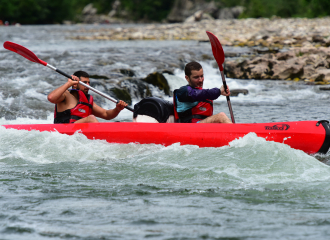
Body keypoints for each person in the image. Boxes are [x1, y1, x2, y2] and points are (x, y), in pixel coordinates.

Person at [47, 70, 128, 124]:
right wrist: (69, 84)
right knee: (91, 118)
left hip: (79, 134)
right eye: (84, 83)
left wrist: (117, 109)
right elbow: (51, 98)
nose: (88, 86)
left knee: (117, 123)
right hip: (64, 131)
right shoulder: (66, 95)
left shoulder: (87, 101)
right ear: (75, 83)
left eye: (89, 83)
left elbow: (106, 114)